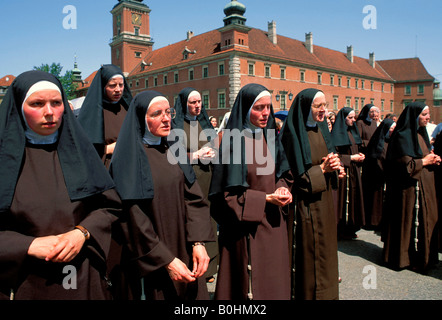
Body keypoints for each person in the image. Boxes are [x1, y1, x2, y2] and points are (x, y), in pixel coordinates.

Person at [0, 70, 121, 300]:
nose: (49, 113)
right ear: (18, 107)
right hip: (28, 280)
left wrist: (82, 233)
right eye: (37, 103)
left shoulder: (79, 151)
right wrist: (27, 245)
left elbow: (110, 206)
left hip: (84, 276)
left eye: (56, 103)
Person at [109, 90, 215, 300]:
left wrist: (199, 243)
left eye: (168, 112)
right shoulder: (128, 158)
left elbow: (193, 197)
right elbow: (132, 217)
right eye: (157, 114)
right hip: (150, 258)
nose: (166, 118)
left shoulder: (174, 148)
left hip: (185, 249)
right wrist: (165, 259)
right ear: (141, 118)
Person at [209, 83, 293, 300]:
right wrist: (265, 199)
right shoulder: (233, 142)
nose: (265, 113)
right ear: (246, 109)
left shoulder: (271, 137)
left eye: (268, 107)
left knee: (274, 280)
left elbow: (283, 174)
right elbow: (228, 196)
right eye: (259, 108)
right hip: (244, 227)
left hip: (273, 224)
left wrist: (283, 188)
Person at [281, 89, 344, 300]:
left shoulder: (321, 130)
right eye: (318, 106)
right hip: (305, 206)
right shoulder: (292, 134)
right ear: (306, 107)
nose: (324, 110)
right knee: (309, 256)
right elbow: (293, 177)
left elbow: (329, 157)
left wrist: (337, 167)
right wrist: (323, 170)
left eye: (325, 105)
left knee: (326, 251)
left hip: (324, 201)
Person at [382, 102, 440, 271]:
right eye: (424, 115)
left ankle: (424, 257)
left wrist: (432, 158)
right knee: (408, 223)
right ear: (414, 117)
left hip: (425, 187)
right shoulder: (402, 136)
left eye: (428, 114)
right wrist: (425, 161)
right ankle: (408, 258)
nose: (428, 117)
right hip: (408, 191)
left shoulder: (421, 134)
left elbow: (422, 155)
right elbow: (403, 166)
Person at [172, 88, 219, 284]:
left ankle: (210, 267)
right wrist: (196, 156)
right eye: (192, 102)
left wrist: (213, 153)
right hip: (188, 180)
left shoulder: (204, 123)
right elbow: (173, 155)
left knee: (209, 219)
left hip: (208, 179)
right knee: (191, 218)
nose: (197, 105)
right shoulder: (176, 126)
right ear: (184, 104)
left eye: (199, 102)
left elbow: (215, 146)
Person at [78, 64, 132, 168]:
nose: (118, 89)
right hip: (106, 168)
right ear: (103, 86)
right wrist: (108, 149)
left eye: (121, 85)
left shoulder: (127, 109)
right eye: (112, 85)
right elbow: (83, 148)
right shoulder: (93, 113)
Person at [332, 107, 365, 240]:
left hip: (354, 171)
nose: (353, 121)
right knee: (342, 202)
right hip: (342, 172)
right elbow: (335, 155)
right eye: (350, 118)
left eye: (353, 118)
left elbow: (356, 147)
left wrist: (360, 156)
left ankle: (351, 227)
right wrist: (351, 158)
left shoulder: (352, 132)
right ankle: (339, 229)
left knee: (353, 200)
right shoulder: (336, 134)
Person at [361, 118, 396, 229]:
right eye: (391, 129)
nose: (393, 131)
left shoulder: (390, 142)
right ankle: (372, 221)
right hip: (375, 177)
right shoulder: (377, 143)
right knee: (374, 200)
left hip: (384, 176)